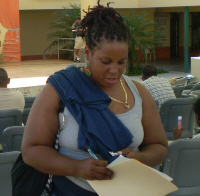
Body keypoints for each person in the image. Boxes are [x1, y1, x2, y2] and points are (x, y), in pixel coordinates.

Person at [22, 1, 168, 195]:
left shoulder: (139, 93)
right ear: (88, 53)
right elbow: (32, 150)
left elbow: (159, 146)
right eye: (105, 62)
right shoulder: (59, 90)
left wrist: (140, 159)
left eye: (121, 62)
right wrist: (77, 167)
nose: (114, 70)